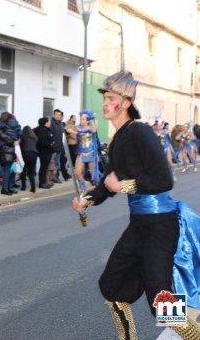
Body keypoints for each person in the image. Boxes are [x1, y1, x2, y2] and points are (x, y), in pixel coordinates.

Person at [72, 70, 200, 339]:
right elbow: (108, 183)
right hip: (139, 226)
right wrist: (88, 200)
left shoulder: (140, 132)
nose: (106, 103)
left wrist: (125, 186)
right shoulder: (118, 139)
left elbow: (164, 180)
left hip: (161, 226)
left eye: (110, 98)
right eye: (105, 98)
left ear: (126, 102)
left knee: (162, 304)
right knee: (112, 287)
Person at [73, 111, 100, 192]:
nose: (81, 121)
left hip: (90, 152)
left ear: (87, 121)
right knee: (77, 172)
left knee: (93, 173)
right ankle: (83, 189)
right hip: (81, 152)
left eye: (83, 119)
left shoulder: (90, 128)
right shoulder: (78, 128)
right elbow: (68, 129)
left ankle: (99, 187)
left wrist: (92, 118)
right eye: (81, 119)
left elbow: (94, 130)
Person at [0, 112, 21, 195]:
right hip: (15, 148)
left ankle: (5, 188)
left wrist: (10, 141)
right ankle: (10, 187)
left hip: (5, 148)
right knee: (14, 169)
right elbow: (20, 134)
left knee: (7, 170)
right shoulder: (16, 123)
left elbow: (0, 135)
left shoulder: (0, 124)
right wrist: (16, 141)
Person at [50, 109, 70, 182]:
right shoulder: (51, 123)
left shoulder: (61, 124)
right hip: (53, 148)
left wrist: (67, 132)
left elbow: (63, 134)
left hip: (60, 148)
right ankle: (53, 178)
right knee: (53, 164)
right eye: (56, 115)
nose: (58, 116)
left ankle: (55, 177)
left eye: (59, 115)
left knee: (57, 164)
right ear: (53, 115)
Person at [34, 117, 54, 190]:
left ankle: (44, 182)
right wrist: (51, 143)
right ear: (45, 123)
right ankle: (42, 183)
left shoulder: (39, 129)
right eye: (48, 122)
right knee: (43, 168)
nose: (50, 123)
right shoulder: (42, 130)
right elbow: (43, 141)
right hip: (44, 151)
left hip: (43, 151)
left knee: (44, 168)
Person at [19, 126, 38, 193]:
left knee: (23, 171)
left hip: (25, 154)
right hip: (34, 154)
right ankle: (33, 188)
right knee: (31, 172)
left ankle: (23, 187)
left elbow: (21, 147)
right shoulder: (34, 138)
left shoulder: (23, 137)